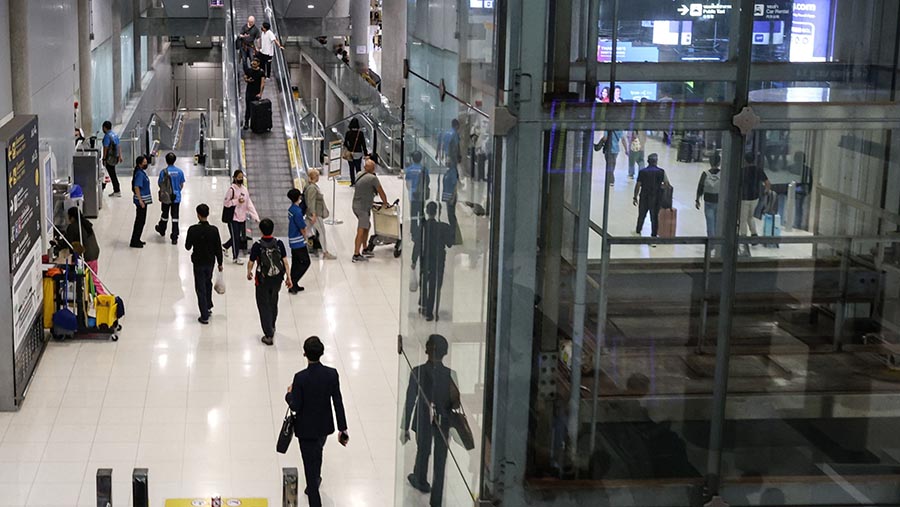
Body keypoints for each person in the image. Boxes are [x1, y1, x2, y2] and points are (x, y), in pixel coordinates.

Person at [285, 336, 349, 507]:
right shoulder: (331, 374)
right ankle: (316, 478)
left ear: (304, 354)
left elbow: (295, 405)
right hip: (323, 426)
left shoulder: (300, 378)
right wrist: (342, 429)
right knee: (318, 451)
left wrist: (289, 394)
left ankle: (314, 494)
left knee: (308, 463)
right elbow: (338, 402)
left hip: (305, 429)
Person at [401, 334, 455, 505]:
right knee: (440, 461)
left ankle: (421, 479)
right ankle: (436, 499)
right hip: (443, 422)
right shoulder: (450, 374)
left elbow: (411, 400)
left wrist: (405, 427)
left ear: (427, 350)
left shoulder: (418, 371)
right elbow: (454, 403)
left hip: (423, 419)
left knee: (423, 451)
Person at [246, 218, 291, 345]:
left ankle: (268, 334)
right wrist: (289, 277)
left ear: (261, 230)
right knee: (273, 301)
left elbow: (251, 262)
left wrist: (249, 272)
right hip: (277, 279)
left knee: (263, 305)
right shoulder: (279, 244)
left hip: (262, 280)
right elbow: (285, 263)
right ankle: (272, 324)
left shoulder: (257, 245)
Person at [412, 202, 454, 321]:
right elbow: (450, 244)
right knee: (434, 285)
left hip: (425, 259)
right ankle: (430, 312)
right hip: (439, 259)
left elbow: (417, 244)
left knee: (424, 281)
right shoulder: (443, 227)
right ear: (438, 212)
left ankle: (423, 305)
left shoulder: (423, 226)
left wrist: (414, 260)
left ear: (426, 211)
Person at [185, 204, 224, 324]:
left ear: (198, 214)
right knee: (208, 282)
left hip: (198, 262)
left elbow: (187, 246)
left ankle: (204, 315)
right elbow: (218, 247)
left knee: (200, 287)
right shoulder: (214, 230)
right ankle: (208, 306)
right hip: (210, 262)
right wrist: (220, 263)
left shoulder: (193, 230)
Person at [352, 158, 389, 262]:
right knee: (361, 229)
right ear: (372, 169)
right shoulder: (372, 178)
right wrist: (385, 203)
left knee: (367, 226)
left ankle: (365, 248)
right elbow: (381, 192)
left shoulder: (359, 174)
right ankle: (356, 254)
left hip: (356, 204)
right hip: (362, 208)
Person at [64, 207, 104, 294]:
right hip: (94, 253)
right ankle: (97, 295)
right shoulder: (86, 224)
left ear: (72, 217)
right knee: (93, 278)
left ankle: (101, 296)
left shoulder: (73, 227)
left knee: (86, 278)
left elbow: (66, 241)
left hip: (86, 257)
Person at [223, 169, 259, 264]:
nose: (240, 179)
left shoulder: (244, 189)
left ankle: (225, 246)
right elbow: (226, 203)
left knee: (238, 237)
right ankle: (235, 257)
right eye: (239, 177)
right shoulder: (232, 189)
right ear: (234, 178)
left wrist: (255, 216)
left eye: (242, 177)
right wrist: (236, 201)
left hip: (242, 217)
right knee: (235, 237)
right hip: (233, 218)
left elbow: (249, 203)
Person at [633, 153, 669, 238]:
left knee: (642, 215)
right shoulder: (661, 172)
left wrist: (635, 197)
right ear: (656, 161)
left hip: (644, 196)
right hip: (656, 197)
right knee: (654, 217)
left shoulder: (642, 172)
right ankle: (653, 235)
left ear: (648, 161)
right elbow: (666, 184)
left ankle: (638, 231)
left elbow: (638, 185)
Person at [154, 152, 186, 245]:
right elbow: (181, 184)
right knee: (175, 217)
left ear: (166, 161)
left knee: (164, 214)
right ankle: (174, 237)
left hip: (166, 197)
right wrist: (177, 190)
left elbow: (160, 184)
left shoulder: (163, 172)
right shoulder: (180, 171)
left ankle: (162, 229)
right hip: (176, 197)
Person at [303, 169, 336, 259]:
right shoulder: (312, 188)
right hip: (315, 214)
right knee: (322, 232)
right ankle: (325, 252)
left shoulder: (310, 186)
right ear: (315, 177)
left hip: (311, 214)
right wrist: (313, 214)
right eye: (317, 175)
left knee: (305, 231)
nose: (319, 177)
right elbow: (311, 202)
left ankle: (303, 247)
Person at [740, 152, 770, 242]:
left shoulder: (742, 171)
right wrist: (766, 191)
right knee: (750, 216)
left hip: (744, 198)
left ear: (745, 160)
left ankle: (743, 238)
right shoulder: (758, 170)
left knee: (743, 219)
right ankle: (754, 235)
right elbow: (767, 183)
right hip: (755, 197)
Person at [405, 152, 430, 258]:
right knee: (421, 212)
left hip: (413, 195)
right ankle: (422, 229)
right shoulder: (424, 169)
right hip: (421, 195)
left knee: (413, 214)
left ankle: (414, 232)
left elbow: (408, 184)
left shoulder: (409, 170)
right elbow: (427, 182)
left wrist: (411, 191)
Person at [287, 188, 311, 294]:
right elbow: (302, 227)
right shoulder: (297, 212)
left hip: (292, 239)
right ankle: (293, 282)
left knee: (296, 262)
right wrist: (306, 237)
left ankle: (293, 284)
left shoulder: (291, 209)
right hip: (298, 241)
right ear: (298, 197)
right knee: (306, 262)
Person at [695, 153, 722, 238]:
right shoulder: (722, 174)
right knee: (717, 222)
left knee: (710, 223)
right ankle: (717, 240)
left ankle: (711, 241)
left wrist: (697, 200)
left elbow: (700, 187)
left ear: (710, 162)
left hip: (708, 201)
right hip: (719, 200)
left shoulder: (705, 174)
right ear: (719, 163)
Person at [130, 155, 152, 248]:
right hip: (141, 201)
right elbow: (136, 187)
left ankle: (137, 239)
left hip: (143, 200)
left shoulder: (141, 172)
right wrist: (140, 200)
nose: (146, 164)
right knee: (140, 221)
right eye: (144, 162)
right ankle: (134, 241)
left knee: (141, 221)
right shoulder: (139, 174)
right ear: (140, 164)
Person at [789, 151, 813, 230]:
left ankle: (793, 223)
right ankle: (797, 224)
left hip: (794, 190)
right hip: (802, 191)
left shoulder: (791, 168)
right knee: (799, 208)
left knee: (793, 206)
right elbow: (810, 182)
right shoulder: (807, 169)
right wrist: (808, 191)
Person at [243, 58, 266, 130]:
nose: (253, 65)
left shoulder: (261, 72)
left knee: (256, 108)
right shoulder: (249, 70)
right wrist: (247, 80)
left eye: (255, 64)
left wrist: (260, 93)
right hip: (249, 92)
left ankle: (255, 124)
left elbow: (262, 83)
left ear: (258, 64)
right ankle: (246, 122)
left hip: (256, 93)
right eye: (252, 64)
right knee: (248, 108)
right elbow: (245, 77)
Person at [343, 118, 368, 185]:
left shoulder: (348, 133)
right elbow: (363, 144)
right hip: (358, 153)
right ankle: (358, 181)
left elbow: (345, 143)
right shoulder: (360, 133)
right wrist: (366, 154)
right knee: (358, 168)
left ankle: (352, 182)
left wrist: (349, 149)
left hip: (350, 153)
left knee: (351, 168)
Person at [101, 121, 123, 197]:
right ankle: (114, 189)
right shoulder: (114, 135)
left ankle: (116, 190)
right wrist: (120, 156)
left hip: (109, 159)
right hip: (115, 158)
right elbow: (119, 145)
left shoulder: (107, 136)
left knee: (110, 173)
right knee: (111, 173)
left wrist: (104, 158)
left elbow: (105, 148)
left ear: (104, 127)